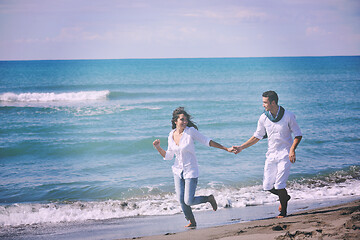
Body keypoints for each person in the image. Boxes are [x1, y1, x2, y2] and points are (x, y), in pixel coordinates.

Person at [153, 107, 233, 228]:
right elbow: (169, 156)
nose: (185, 122)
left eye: (186, 120)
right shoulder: (171, 135)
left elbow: (208, 141)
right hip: (177, 171)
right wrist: (158, 147)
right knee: (181, 200)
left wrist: (226, 148)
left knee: (188, 201)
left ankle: (209, 198)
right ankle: (191, 221)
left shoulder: (190, 132)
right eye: (182, 120)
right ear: (175, 121)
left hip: (190, 170)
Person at [231, 91, 302, 218]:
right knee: (267, 186)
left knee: (280, 184)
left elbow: (298, 134)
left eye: (265, 102)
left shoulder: (288, 116)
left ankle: (283, 212)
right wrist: (241, 147)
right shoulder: (263, 118)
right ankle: (285, 197)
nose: (263, 105)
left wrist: (292, 150)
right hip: (271, 154)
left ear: (273, 102)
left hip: (285, 154)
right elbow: (257, 137)